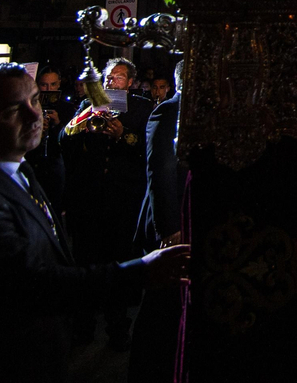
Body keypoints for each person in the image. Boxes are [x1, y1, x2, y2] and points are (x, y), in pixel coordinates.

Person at [0, 64, 187, 380]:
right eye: (12, 110)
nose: (34, 117)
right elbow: (35, 287)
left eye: (35, 101)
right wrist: (141, 272)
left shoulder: (16, 167)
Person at [60, 57, 152, 349]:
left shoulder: (142, 107)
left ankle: (117, 328)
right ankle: (83, 326)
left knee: (120, 265)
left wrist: (124, 135)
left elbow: (148, 150)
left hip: (123, 201)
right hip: (91, 200)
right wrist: (86, 119)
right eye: (109, 77)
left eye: (119, 77)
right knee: (87, 262)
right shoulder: (91, 104)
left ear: (132, 82)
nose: (113, 81)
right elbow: (65, 138)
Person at [130, 65, 184, 379]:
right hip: (166, 223)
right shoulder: (166, 111)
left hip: (183, 215)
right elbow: (159, 171)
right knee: (159, 305)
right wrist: (169, 227)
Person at [25, 65, 70, 207]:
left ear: (59, 84)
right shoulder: (29, 106)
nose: (49, 89)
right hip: (32, 162)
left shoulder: (66, 108)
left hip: (55, 164)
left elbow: (70, 141)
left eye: (53, 84)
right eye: (44, 85)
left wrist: (57, 124)